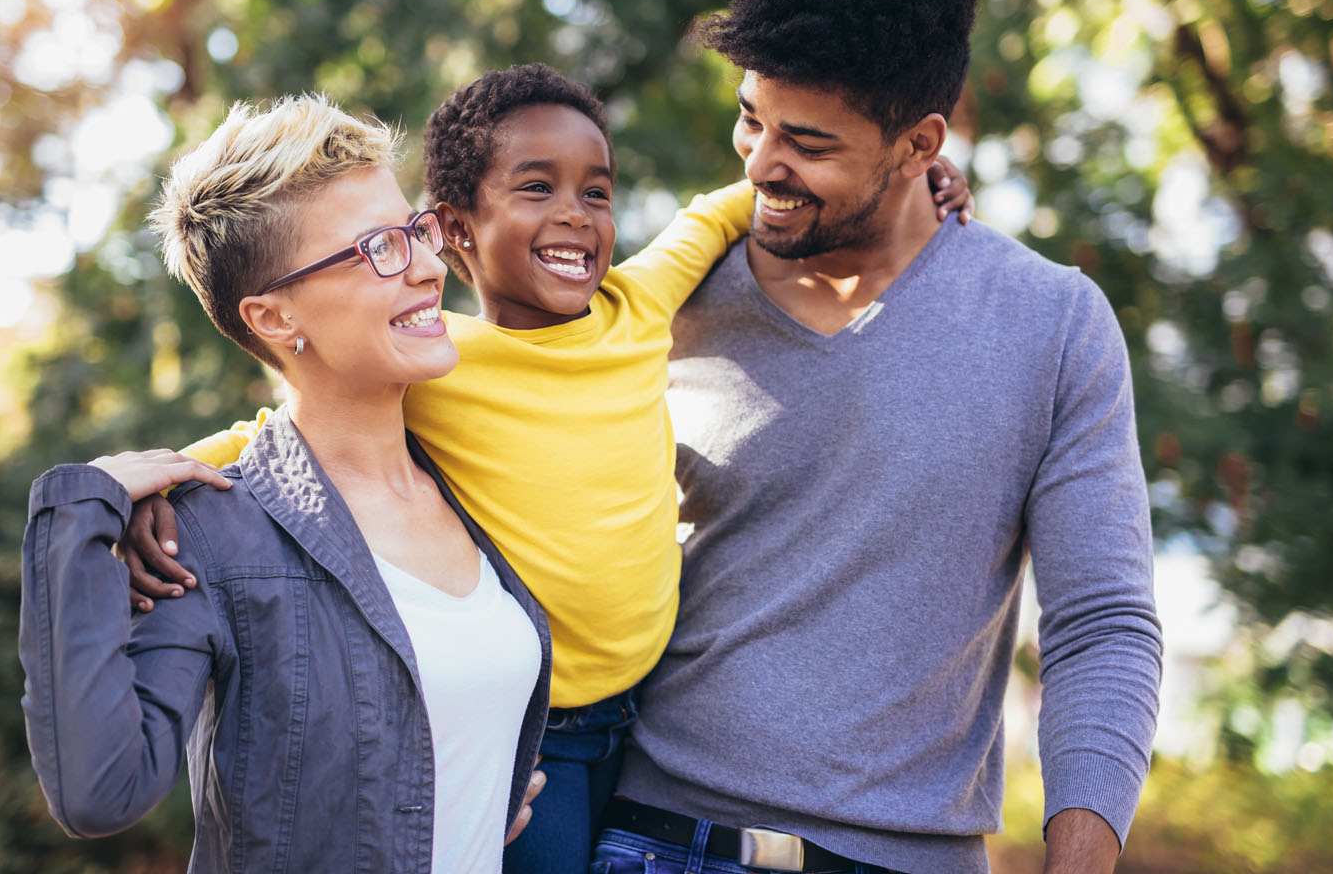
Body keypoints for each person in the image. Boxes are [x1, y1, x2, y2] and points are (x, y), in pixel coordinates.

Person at [116, 65, 974, 874]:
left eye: (595, 192)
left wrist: (910, 184)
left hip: (657, 726)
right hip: (536, 734)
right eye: (537, 187)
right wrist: (147, 481)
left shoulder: (640, 304)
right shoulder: (440, 366)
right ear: (452, 229)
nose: (576, 213)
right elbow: (283, 429)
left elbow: (731, 205)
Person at [594, 0, 1163, 874]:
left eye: (807, 143)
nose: (762, 162)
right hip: (659, 843)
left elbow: (1103, 627)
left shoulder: (1051, 324)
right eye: (749, 117)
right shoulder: (670, 294)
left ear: (919, 145)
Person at [18, 95, 551, 873]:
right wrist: (78, 516)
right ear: (272, 317)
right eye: (379, 249)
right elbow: (101, 790)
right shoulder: (204, 535)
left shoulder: (476, 483)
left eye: (416, 231)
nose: (432, 266)